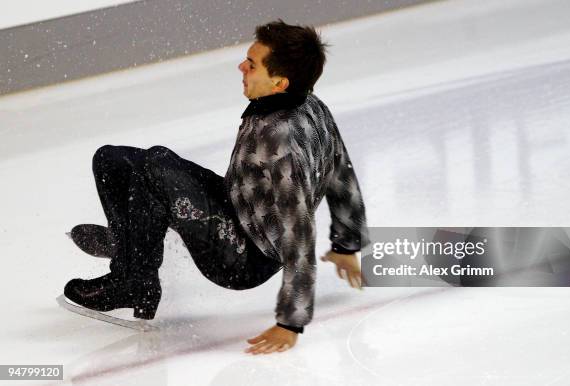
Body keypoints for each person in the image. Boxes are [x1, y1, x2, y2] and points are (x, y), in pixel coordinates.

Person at [64, 19, 369, 355]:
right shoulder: (309, 103)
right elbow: (342, 172)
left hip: (241, 256)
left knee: (155, 166)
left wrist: (290, 323)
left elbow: (299, 233)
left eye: (252, 65)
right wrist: (347, 243)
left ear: (279, 82)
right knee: (110, 160)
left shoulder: (282, 145)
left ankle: (133, 283)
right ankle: (131, 246)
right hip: (233, 205)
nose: (241, 66)